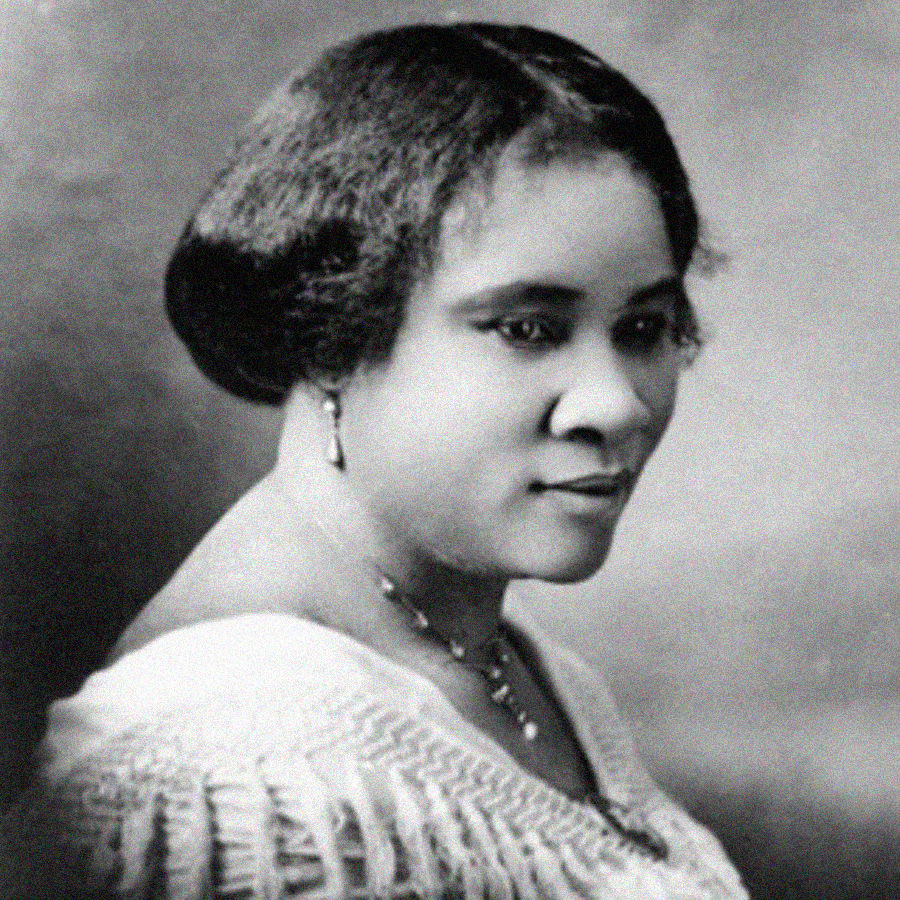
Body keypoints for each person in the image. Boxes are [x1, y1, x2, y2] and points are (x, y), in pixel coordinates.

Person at [2, 22, 749, 900]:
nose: (617, 403)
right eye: (528, 329)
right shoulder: (254, 770)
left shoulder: (503, 653)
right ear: (330, 333)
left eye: (644, 329)